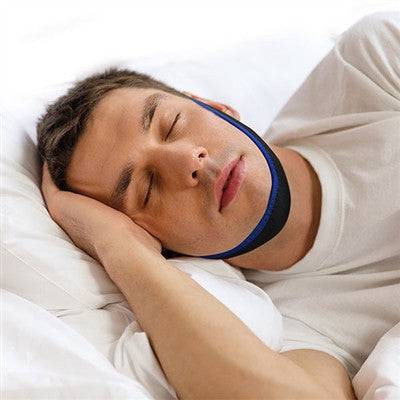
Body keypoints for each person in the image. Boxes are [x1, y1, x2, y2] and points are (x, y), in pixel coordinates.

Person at [37, 12, 399, 399]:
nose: (187, 161)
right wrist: (120, 248)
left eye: (172, 124)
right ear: (157, 242)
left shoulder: (373, 67)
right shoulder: (290, 327)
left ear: (215, 106)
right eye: (147, 188)